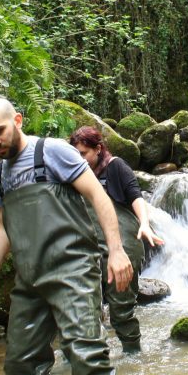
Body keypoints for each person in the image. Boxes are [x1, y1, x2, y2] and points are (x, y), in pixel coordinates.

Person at [0, 98, 138, 375]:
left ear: (17, 120)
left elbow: (98, 196)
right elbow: (4, 229)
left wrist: (116, 250)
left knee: (89, 360)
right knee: (20, 367)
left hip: (72, 271)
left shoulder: (53, 153)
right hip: (29, 282)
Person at [69, 126, 164, 354]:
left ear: (98, 149)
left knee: (121, 311)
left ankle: (133, 357)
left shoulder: (115, 166)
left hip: (124, 245)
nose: (79, 159)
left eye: (83, 154)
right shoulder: (74, 174)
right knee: (86, 309)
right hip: (90, 246)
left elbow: (135, 195)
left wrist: (144, 223)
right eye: (75, 154)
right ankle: (93, 362)